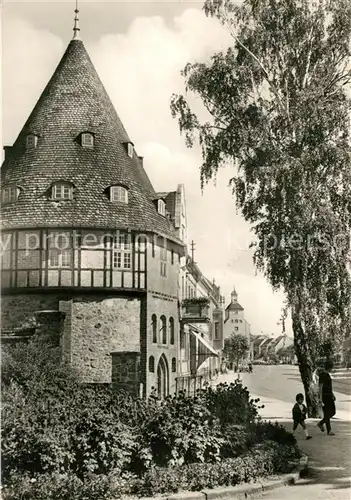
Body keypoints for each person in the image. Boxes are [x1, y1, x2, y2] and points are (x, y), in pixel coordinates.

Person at [317, 359, 336, 435]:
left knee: (331, 412)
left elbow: (329, 387)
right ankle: (327, 429)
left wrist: (332, 394)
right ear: (329, 367)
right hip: (325, 397)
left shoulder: (327, 374)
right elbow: (320, 387)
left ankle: (322, 424)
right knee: (328, 413)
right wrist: (320, 399)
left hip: (329, 396)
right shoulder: (322, 375)